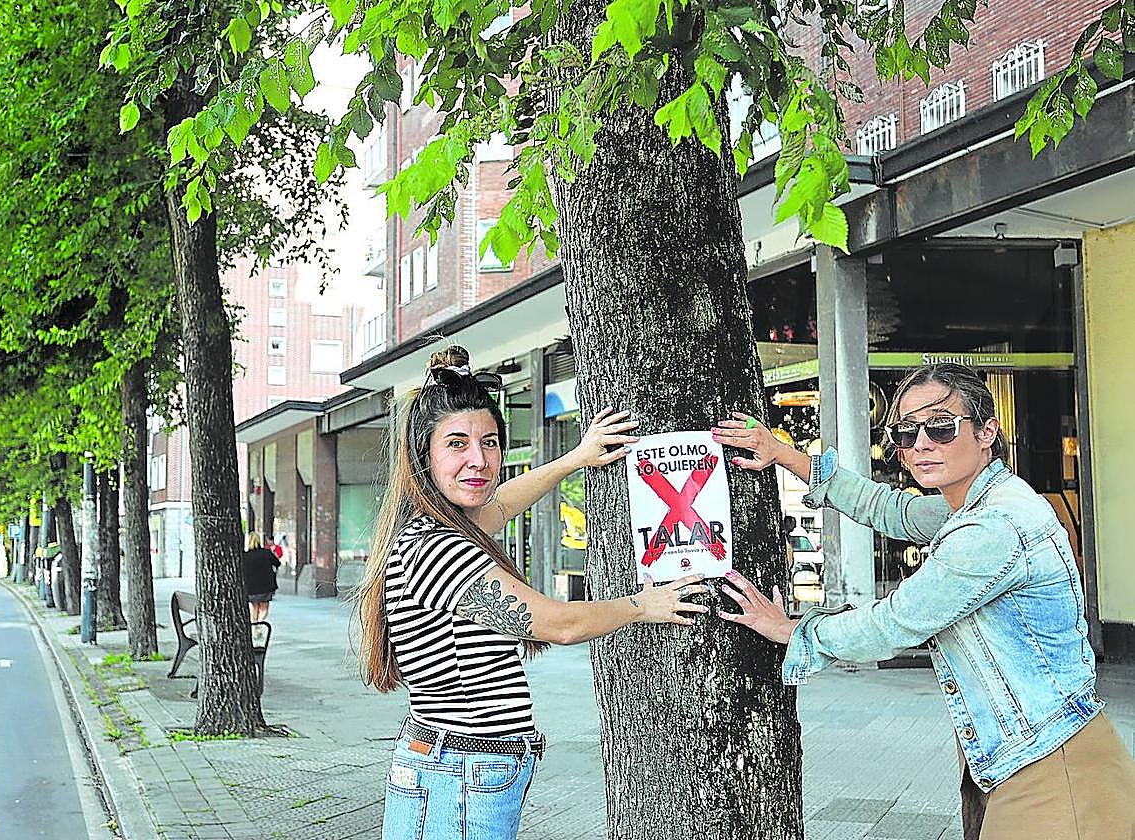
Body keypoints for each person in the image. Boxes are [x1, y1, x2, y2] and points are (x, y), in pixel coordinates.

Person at [711, 363, 1135, 840]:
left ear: (986, 432)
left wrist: (793, 630)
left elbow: (897, 622)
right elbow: (891, 509)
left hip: (1053, 770)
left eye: (941, 427)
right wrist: (784, 455)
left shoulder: (991, 527)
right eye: (906, 432)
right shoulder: (977, 503)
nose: (922, 444)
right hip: (1027, 753)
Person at [357, 345, 708, 840]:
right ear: (424, 455)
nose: (478, 460)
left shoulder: (437, 525)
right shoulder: (436, 548)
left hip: (459, 768)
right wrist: (643, 605)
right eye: (456, 444)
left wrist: (577, 458)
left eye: (491, 442)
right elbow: (557, 624)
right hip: (457, 773)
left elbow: (503, 502)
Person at [242, 532, 280, 626]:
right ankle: (260, 623)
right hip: (266, 586)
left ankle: (255, 624)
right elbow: (277, 563)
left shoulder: (245, 556)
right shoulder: (266, 553)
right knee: (264, 607)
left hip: (251, 587)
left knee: (255, 608)